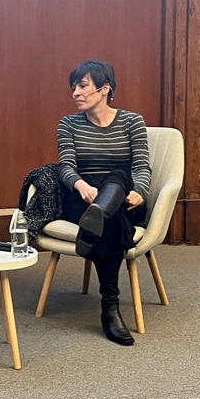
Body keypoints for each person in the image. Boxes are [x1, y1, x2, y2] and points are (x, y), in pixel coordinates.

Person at [57, 60, 151, 346]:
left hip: (124, 196)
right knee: (111, 222)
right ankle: (110, 307)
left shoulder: (132, 122)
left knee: (118, 177)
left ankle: (96, 222)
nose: (75, 93)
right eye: (73, 87)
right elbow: (66, 167)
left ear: (104, 89)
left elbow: (141, 167)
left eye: (82, 86)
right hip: (83, 198)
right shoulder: (68, 124)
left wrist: (140, 191)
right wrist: (80, 184)